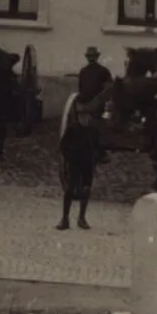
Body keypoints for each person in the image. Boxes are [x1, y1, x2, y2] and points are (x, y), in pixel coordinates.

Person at [57, 98, 100, 231]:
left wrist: (95, 159)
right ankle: (65, 218)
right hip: (74, 163)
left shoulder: (92, 132)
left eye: (87, 117)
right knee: (70, 190)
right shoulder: (72, 130)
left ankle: (82, 217)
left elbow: (97, 147)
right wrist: (68, 158)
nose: (85, 119)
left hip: (87, 164)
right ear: (79, 117)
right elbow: (63, 146)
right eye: (82, 117)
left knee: (86, 189)